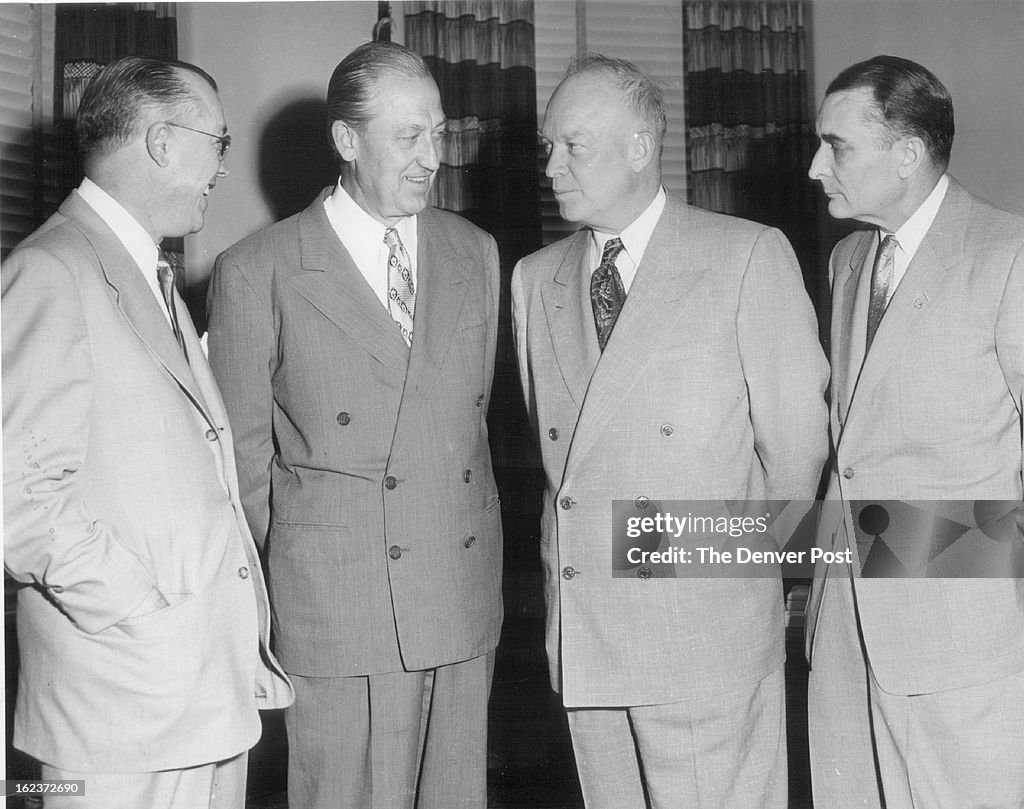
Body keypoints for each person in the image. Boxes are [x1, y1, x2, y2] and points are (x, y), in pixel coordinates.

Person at [511, 54, 828, 809]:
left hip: (702, 638)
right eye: (547, 146)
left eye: (573, 145)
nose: (551, 165)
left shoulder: (745, 256)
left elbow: (795, 451)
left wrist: (740, 588)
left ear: (641, 147)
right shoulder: (533, 278)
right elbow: (564, 465)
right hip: (586, 638)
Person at [206, 41, 503, 809]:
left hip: (461, 602)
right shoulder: (258, 269)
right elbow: (243, 466)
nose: (433, 157)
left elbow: (471, 429)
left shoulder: (477, 253)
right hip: (339, 609)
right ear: (346, 140)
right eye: (409, 136)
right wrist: (318, 559)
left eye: (439, 133)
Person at [1, 56, 292, 809]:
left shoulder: (145, 272)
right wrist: (143, 615)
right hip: (118, 717)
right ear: (162, 142)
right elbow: (20, 502)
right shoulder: (50, 270)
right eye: (217, 143)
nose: (221, 168)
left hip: (199, 704)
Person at [805, 55, 1024, 809]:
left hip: (967, 636)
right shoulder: (846, 259)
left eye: (836, 146)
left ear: (906, 153)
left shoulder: (1009, 256)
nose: (814, 166)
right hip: (845, 630)